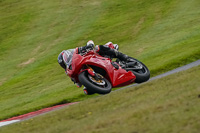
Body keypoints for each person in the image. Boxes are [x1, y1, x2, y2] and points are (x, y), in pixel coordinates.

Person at [57, 40, 129, 92]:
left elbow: (90, 43)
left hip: (95, 57)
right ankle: (103, 82)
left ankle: (121, 55)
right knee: (86, 91)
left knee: (98, 48)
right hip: (92, 75)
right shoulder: (69, 71)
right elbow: (78, 84)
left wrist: (89, 46)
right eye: (63, 64)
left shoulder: (77, 51)